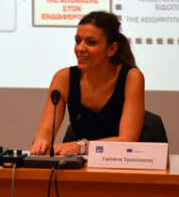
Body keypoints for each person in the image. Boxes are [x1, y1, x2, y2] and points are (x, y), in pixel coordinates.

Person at [30, 10, 145, 156]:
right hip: (79, 164)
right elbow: (45, 132)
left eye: (91, 42)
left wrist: (81, 147)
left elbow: (127, 140)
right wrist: (41, 142)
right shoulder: (63, 78)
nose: (80, 48)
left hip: (123, 161)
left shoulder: (131, 77)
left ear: (112, 49)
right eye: (78, 41)